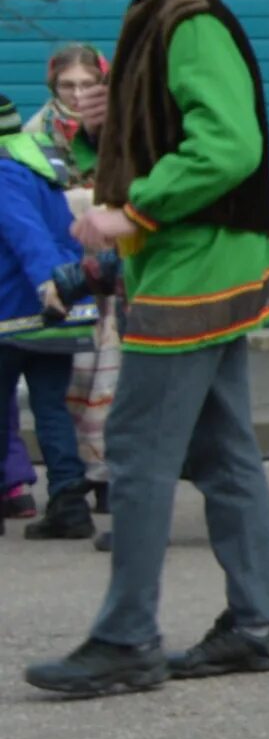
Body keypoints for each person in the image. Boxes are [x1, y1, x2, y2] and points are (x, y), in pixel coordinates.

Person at [26, 0, 269, 699]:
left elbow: (229, 149)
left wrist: (132, 209)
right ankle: (257, 624)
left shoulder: (187, 21)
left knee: (140, 452)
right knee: (223, 453)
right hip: (209, 262)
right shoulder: (164, 13)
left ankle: (126, 638)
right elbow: (195, 130)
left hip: (191, 268)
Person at [0, 90, 94, 542]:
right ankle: (70, 502)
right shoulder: (41, 166)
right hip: (62, 315)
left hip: (16, 313)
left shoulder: (2, 174)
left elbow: (27, 235)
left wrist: (47, 283)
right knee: (52, 409)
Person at [34, 45, 119, 515]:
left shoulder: (118, 132)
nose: (78, 93)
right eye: (68, 85)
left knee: (111, 381)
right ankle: (79, 478)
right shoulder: (35, 136)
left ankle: (110, 478)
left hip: (117, 272)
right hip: (65, 275)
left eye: (88, 84)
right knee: (72, 381)